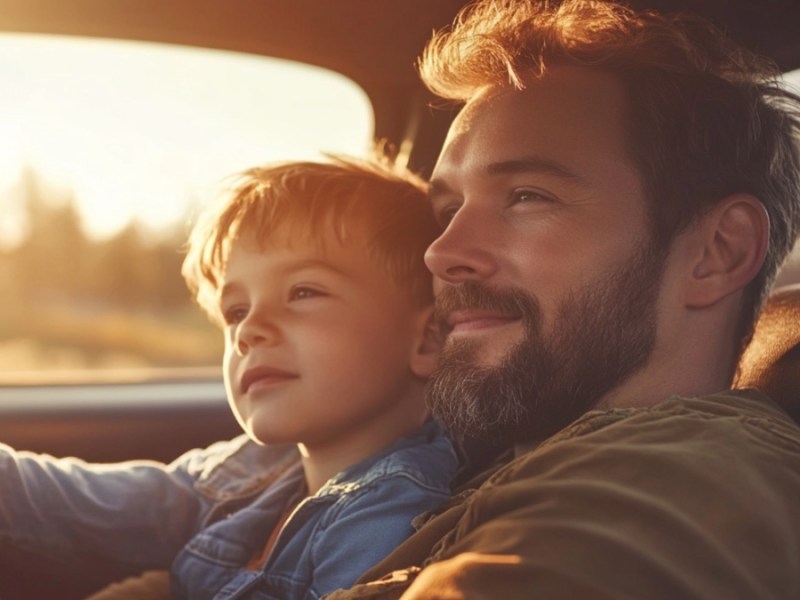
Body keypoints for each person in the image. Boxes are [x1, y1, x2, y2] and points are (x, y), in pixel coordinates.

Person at [327, 0, 800, 598]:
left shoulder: (680, 478)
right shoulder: (479, 463)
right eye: (448, 210)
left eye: (527, 196)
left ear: (719, 252)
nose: (442, 253)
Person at [0, 156, 460, 600]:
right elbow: (79, 505)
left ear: (426, 342)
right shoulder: (251, 470)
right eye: (235, 311)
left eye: (303, 291)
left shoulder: (394, 511)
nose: (248, 330)